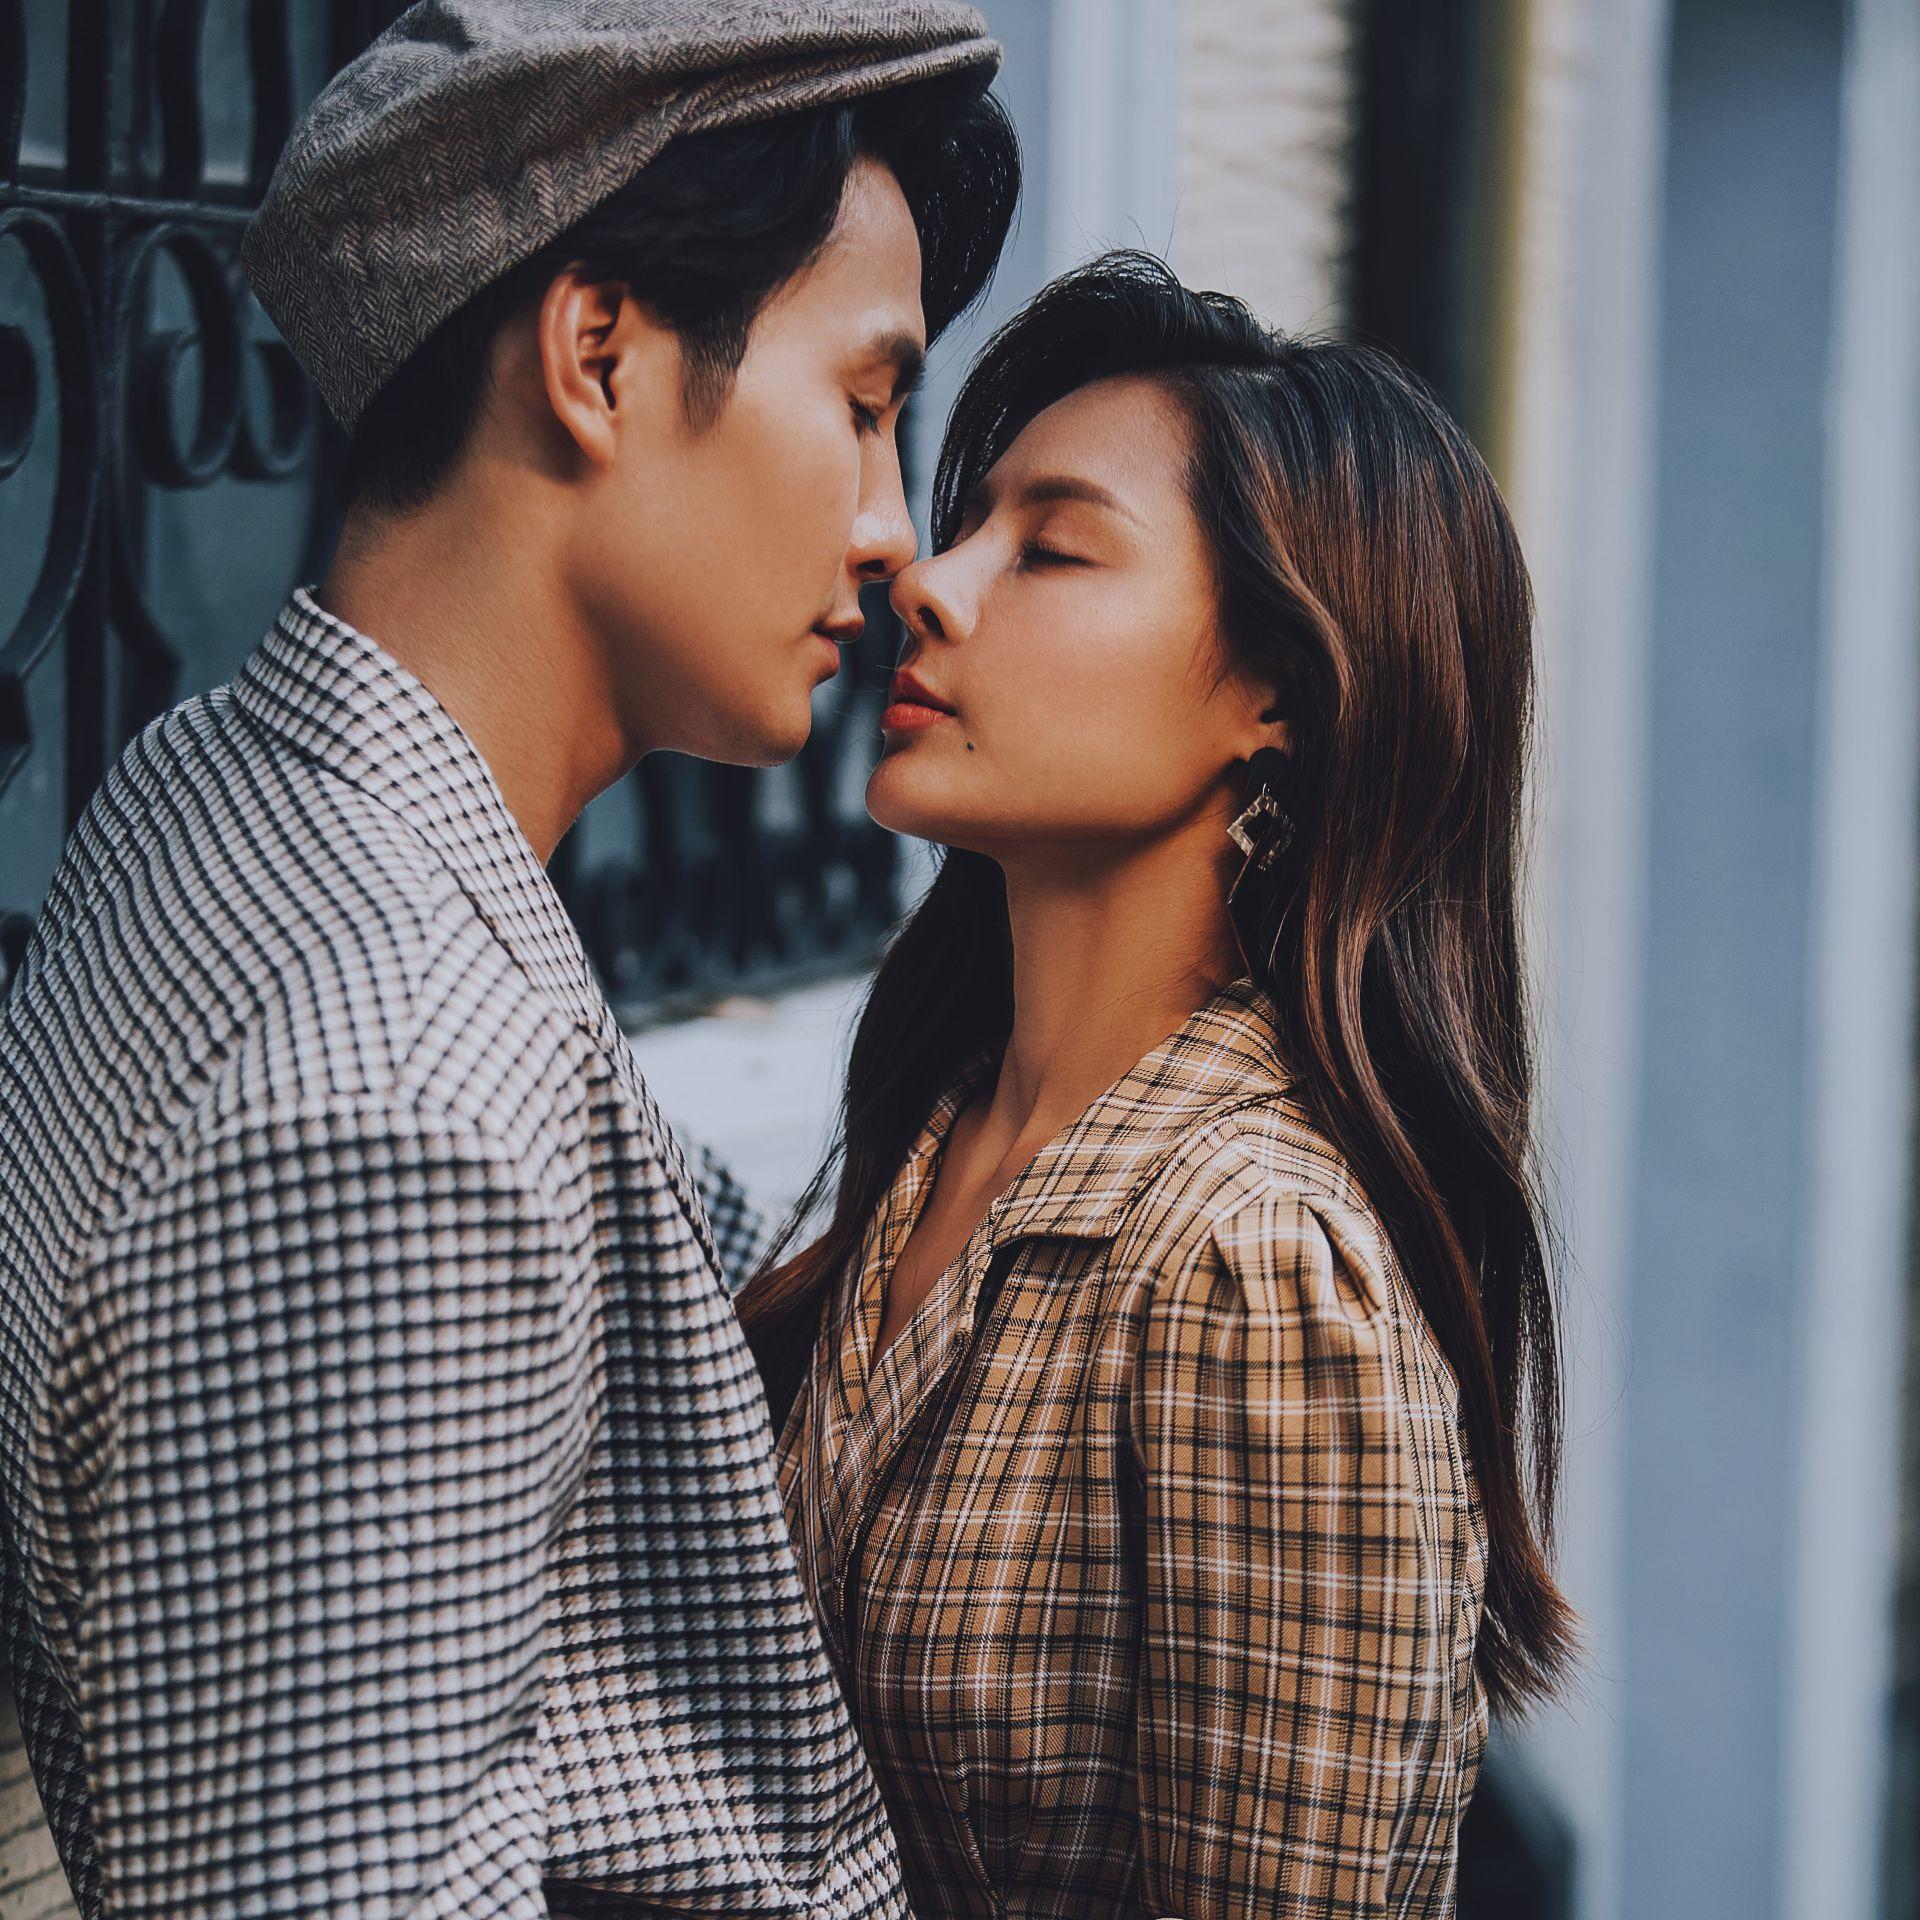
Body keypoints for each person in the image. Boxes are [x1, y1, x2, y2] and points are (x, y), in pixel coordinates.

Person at [0, 5, 1017, 1915]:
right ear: (598, 354)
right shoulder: (400, 1123)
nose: (895, 536)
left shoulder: (215, 785)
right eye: (866, 404)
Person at [739, 252, 1578, 1920]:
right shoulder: (937, 1135)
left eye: (1051, 548)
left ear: (1276, 699)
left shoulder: (1257, 1267)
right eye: (969, 522)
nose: (928, 581)